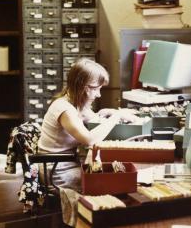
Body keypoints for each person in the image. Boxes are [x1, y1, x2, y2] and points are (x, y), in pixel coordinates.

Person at [38, 58, 137, 192]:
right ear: (83, 87)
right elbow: (89, 139)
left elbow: (95, 120)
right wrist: (117, 116)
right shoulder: (65, 109)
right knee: (108, 183)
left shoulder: (75, 103)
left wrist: (110, 112)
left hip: (66, 164)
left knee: (111, 177)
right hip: (57, 171)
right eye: (96, 89)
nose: (99, 94)